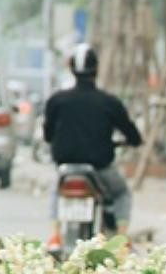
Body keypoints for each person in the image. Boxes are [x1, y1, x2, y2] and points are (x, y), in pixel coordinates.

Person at [44, 43, 143, 235]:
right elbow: (132, 134)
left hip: (65, 166)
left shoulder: (56, 100)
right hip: (100, 168)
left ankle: (54, 235)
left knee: (56, 192)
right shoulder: (109, 102)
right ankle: (121, 239)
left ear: (71, 69)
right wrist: (132, 141)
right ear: (96, 69)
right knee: (122, 194)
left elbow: (48, 135)